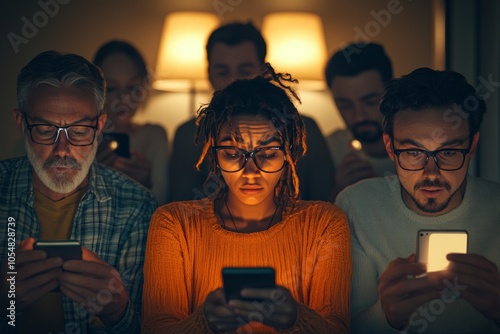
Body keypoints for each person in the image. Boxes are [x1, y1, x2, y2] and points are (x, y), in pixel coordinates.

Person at [142, 65, 351, 333]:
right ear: (213, 155)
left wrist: (297, 317)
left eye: (268, 152)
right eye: (232, 153)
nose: (250, 171)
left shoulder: (324, 225)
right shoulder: (174, 225)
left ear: (288, 155)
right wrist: (203, 321)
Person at [0, 51, 157, 333]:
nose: (63, 149)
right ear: (22, 124)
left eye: (80, 130)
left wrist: (118, 311)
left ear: (99, 127)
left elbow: (151, 326)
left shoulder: (137, 207)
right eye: (46, 130)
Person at [336, 67, 500, 333]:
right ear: (390, 147)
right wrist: (384, 316)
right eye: (413, 152)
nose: (431, 173)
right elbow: (341, 327)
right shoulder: (358, 206)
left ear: (471, 146)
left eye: (448, 152)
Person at [169, 21, 334, 202]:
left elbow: (324, 201)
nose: (233, 81)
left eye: (244, 70)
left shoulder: (303, 129)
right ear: (208, 73)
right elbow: (181, 207)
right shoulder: (188, 135)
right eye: (222, 72)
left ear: (264, 71)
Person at [93, 40, 169, 204]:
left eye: (132, 87)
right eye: (111, 88)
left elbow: (164, 206)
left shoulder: (154, 136)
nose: (124, 98)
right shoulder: (76, 137)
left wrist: (145, 185)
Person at [325, 42, 396, 200]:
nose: (359, 116)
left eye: (370, 102)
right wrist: (337, 193)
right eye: (346, 105)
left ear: (390, 93)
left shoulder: (421, 151)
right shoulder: (325, 150)